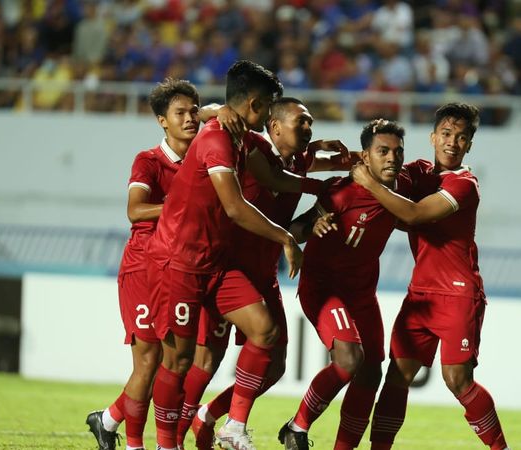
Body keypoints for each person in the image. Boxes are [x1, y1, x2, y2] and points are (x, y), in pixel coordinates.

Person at [144, 60, 314, 450]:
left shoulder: (241, 138)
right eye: (270, 105)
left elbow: (274, 177)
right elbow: (235, 207)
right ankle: (165, 444)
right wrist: (286, 238)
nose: (273, 113)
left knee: (264, 331)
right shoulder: (218, 139)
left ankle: (232, 426)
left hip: (216, 263)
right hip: (179, 263)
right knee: (180, 360)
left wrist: (325, 190)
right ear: (254, 104)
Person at [175, 97, 358, 450]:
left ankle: (209, 416)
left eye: (310, 122)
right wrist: (215, 109)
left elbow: (314, 170)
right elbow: (202, 114)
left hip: (263, 272)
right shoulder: (252, 144)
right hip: (227, 267)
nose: (308, 128)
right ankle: (175, 438)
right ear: (274, 126)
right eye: (300, 122)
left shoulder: (301, 160)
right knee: (207, 359)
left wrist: (352, 162)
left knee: (274, 366)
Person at [84, 78, 244, 450]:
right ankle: (136, 444)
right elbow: (134, 210)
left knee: (178, 360)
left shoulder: (206, 152)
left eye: (193, 112)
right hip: (144, 265)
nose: (190, 119)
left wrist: (215, 109)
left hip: (186, 265)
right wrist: (182, 204)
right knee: (151, 360)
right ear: (161, 121)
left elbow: (210, 112)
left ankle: (108, 420)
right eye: (179, 113)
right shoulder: (149, 161)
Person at [349, 103, 509, 450]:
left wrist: (369, 183)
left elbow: (416, 213)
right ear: (433, 136)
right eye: (447, 134)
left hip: (458, 293)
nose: (453, 142)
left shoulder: (465, 185)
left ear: (470, 145)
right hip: (421, 293)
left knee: (458, 380)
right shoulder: (419, 171)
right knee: (396, 377)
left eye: (462, 137)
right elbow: (383, 173)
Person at [279, 119, 408, 450]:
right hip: (324, 289)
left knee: (370, 373)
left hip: (363, 295)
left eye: (397, 151)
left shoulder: (400, 193)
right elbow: (295, 230)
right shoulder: (339, 190)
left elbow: (419, 216)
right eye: (383, 151)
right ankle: (297, 426)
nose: (392, 158)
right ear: (365, 156)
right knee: (350, 360)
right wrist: (313, 226)